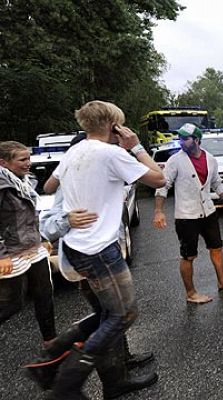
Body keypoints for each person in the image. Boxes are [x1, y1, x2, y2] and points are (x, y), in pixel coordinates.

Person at [42, 100, 166, 399]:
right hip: (99, 250)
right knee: (123, 315)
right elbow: (160, 179)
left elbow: (48, 186)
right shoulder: (112, 153)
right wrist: (136, 146)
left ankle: (103, 376)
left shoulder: (75, 150)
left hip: (75, 247)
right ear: (114, 125)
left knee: (107, 314)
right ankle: (66, 381)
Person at [24, 184, 157, 399]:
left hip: (105, 259)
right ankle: (65, 375)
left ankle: (117, 372)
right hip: (90, 263)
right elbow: (47, 226)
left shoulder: (101, 178)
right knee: (115, 316)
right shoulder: (72, 185)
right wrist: (68, 221)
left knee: (110, 317)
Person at [153, 123, 223, 304]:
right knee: (188, 255)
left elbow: (216, 183)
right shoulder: (175, 160)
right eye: (180, 138)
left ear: (197, 140)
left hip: (208, 211)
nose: (181, 141)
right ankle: (191, 293)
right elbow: (163, 185)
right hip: (186, 215)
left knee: (216, 247)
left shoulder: (210, 158)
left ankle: (222, 281)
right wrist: (158, 211)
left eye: (185, 138)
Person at [0, 141, 57, 345]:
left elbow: (29, 217)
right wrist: (2, 255)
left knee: (44, 295)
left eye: (29, 158)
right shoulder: (3, 184)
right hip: (11, 252)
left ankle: (51, 343)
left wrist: (41, 239)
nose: (28, 163)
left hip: (33, 248)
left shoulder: (23, 181)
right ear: (3, 162)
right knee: (11, 304)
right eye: (22, 159)